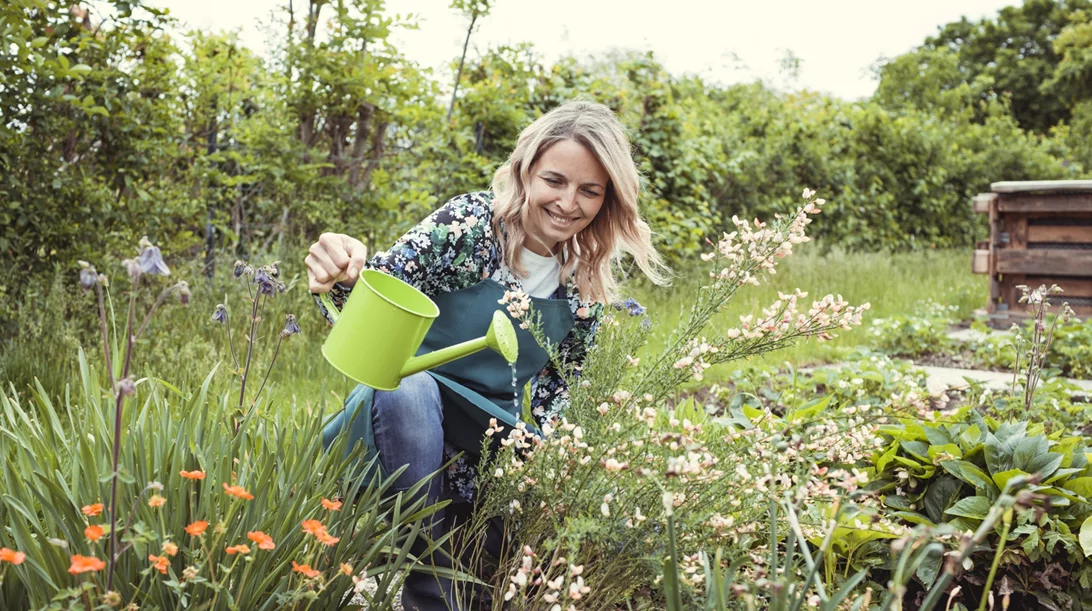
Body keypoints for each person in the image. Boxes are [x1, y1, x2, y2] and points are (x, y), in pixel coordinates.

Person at [305, 100, 670, 610]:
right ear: (525, 171)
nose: (569, 202)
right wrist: (340, 272)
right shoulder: (471, 228)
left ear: (607, 201)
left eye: (590, 191)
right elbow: (372, 301)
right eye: (555, 181)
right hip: (396, 428)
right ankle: (428, 589)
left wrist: (551, 485)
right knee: (412, 388)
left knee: (499, 576)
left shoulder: (583, 281)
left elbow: (556, 398)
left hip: (484, 450)